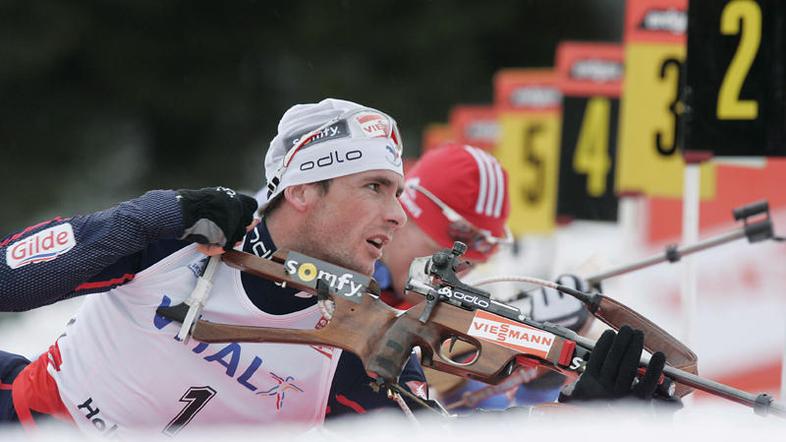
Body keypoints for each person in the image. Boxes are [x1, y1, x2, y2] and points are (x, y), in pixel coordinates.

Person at [0, 99, 667, 436]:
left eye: (400, 192)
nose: (397, 215)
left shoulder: (357, 338)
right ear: (301, 189)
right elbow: (10, 278)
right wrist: (146, 217)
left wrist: (588, 414)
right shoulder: (186, 239)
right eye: (375, 188)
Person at [371, 142, 593, 410]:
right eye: (439, 259)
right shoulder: (341, 263)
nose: (450, 278)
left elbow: (482, 413)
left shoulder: (431, 316)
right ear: (403, 215)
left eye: (468, 267)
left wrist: (541, 375)